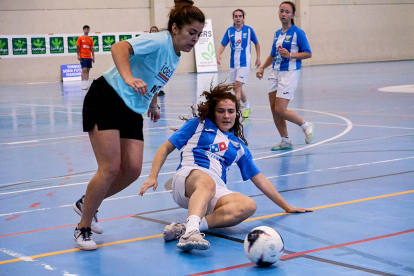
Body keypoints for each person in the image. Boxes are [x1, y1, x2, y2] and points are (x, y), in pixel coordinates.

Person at [72, 0, 205, 251]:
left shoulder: (176, 53)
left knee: (132, 170)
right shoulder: (159, 41)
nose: (195, 39)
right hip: (107, 97)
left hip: (133, 109)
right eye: (191, 32)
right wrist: (128, 77)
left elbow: (154, 76)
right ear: (175, 28)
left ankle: (86, 202)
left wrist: (153, 103)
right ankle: (83, 227)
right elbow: (119, 47)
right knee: (110, 168)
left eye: (199, 34)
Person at [139, 83, 313, 252]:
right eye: (221, 111)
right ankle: (190, 234)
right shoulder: (198, 124)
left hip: (214, 188)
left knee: (248, 205)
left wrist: (286, 206)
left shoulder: (238, 146)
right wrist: (153, 176)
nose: (226, 116)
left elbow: (260, 179)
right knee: (207, 183)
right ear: (213, 112)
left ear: (236, 114)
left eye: (231, 112)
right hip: (187, 179)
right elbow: (165, 148)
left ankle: (187, 228)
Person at [256, 1, 314, 151]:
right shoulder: (277, 33)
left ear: (293, 15)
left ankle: (305, 125)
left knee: (281, 110)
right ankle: (285, 140)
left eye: (287, 12)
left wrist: (291, 55)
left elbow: (308, 53)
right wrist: (262, 67)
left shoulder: (298, 32)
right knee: (273, 108)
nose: (284, 14)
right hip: (275, 72)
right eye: (281, 11)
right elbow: (272, 55)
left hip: (289, 73)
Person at [216, 9, 260, 118]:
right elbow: (223, 44)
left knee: (237, 85)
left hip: (244, 63)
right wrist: (218, 54)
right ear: (233, 18)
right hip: (233, 64)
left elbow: (257, 43)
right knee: (237, 87)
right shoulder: (229, 31)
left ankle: (235, 112)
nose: (238, 18)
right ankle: (248, 107)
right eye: (236, 16)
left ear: (243, 18)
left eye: (240, 16)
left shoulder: (249, 30)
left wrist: (258, 58)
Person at [77, 25, 95, 90]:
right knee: (84, 70)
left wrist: (93, 56)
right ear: (83, 30)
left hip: (89, 57)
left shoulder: (91, 39)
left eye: (87, 29)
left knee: (88, 70)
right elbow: (78, 47)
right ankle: (83, 84)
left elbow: (92, 48)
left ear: (89, 30)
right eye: (85, 29)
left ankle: (86, 84)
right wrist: (78, 55)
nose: (86, 30)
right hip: (83, 57)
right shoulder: (80, 38)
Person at [149, 25, 166, 96]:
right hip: (151, 60)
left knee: (160, 75)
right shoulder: (148, 40)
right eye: (152, 31)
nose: (153, 32)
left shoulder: (160, 40)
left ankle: (160, 90)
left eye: (155, 31)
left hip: (159, 60)